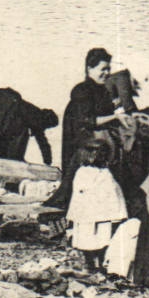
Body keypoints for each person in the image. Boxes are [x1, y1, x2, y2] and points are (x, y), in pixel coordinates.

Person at [45, 47, 122, 213]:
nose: (107, 73)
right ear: (89, 68)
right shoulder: (82, 90)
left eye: (108, 69)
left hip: (97, 145)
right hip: (80, 148)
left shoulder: (102, 91)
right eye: (103, 69)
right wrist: (115, 117)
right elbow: (88, 121)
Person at [67, 142, 129, 273]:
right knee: (85, 238)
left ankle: (101, 263)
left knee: (103, 238)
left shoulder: (106, 173)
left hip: (103, 213)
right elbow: (79, 194)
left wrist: (116, 212)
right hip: (86, 213)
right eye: (94, 152)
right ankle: (89, 263)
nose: (97, 156)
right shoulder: (82, 172)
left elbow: (114, 192)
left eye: (101, 153)